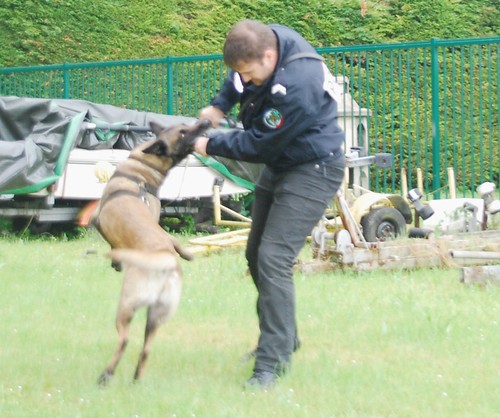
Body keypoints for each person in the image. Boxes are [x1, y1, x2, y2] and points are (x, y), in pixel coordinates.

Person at [194, 19, 345, 389]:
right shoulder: (264, 41)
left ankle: (270, 364)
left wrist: (209, 143)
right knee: (254, 253)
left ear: (269, 56)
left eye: (252, 72)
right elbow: (236, 80)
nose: (250, 80)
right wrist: (218, 108)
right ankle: (285, 337)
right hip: (283, 164)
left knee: (274, 258)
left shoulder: (298, 84)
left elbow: (260, 145)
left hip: (313, 167)